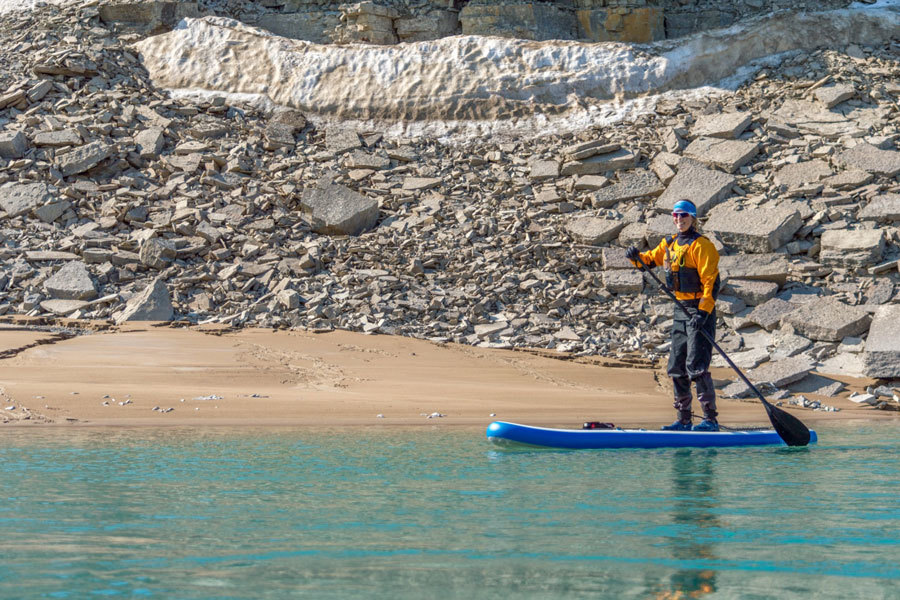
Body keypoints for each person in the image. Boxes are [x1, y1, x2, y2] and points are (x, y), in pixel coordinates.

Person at [625, 200, 721, 432]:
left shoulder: (702, 246)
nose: (679, 219)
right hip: (681, 310)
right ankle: (684, 419)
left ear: (693, 218)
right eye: (676, 215)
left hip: (699, 311)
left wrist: (703, 311)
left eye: (684, 215)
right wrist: (634, 256)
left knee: (696, 366)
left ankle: (710, 420)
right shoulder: (669, 244)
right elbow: (647, 261)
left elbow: (712, 282)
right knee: (676, 367)